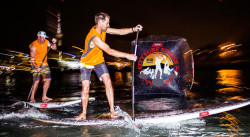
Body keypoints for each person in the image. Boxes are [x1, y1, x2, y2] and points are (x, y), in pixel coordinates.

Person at [76, 12, 143, 121]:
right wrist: (127, 55)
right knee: (86, 87)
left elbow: (119, 32)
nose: (108, 24)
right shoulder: (94, 37)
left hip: (98, 61)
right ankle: (83, 112)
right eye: (107, 22)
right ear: (100, 22)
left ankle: (112, 110)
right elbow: (109, 51)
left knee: (108, 81)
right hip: (86, 62)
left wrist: (133, 29)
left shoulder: (103, 29)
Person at [29, 31, 57, 102]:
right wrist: (36, 67)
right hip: (35, 64)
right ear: (38, 37)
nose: (44, 39)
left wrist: (54, 42)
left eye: (45, 37)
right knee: (36, 81)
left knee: (48, 79)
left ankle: (44, 97)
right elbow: (32, 59)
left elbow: (54, 48)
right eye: (43, 37)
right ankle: (32, 98)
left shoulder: (46, 42)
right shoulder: (33, 46)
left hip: (44, 64)